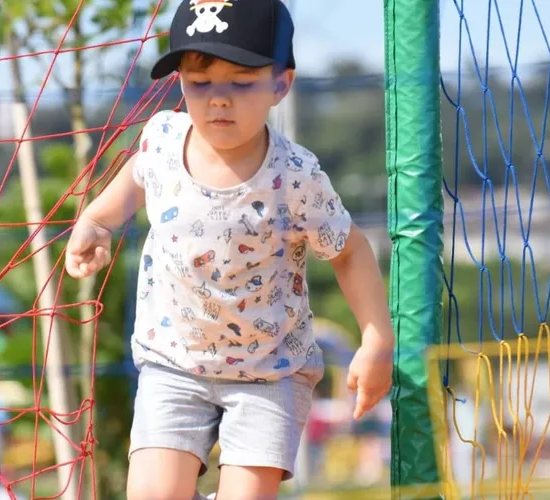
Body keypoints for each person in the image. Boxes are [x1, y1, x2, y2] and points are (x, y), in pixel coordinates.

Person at [63, 1, 395, 498]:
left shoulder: (296, 177)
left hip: (269, 373)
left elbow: (349, 252)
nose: (218, 99)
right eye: (200, 82)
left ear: (280, 84)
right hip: (173, 365)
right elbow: (135, 180)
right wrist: (95, 222)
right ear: (179, 82)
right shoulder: (163, 141)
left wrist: (376, 341)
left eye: (240, 82)